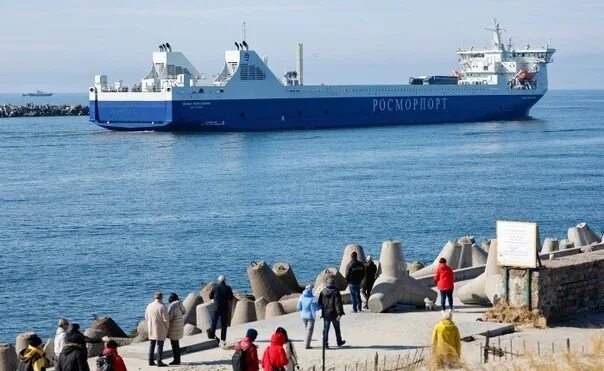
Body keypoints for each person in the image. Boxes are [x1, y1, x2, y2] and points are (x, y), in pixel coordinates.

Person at [318, 278, 346, 349]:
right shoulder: (336, 292)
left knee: (326, 329)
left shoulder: (322, 292)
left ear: (327, 284)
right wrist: (339, 314)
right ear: (333, 284)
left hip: (326, 314)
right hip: (334, 314)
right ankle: (339, 341)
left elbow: (319, 302)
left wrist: (323, 310)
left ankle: (325, 344)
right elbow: (338, 304)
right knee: (337, 328)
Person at [145, 292, 169, 367]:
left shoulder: (149, 306)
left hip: (151, 327)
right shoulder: (162, 306)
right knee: (160, 345)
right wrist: (167, 327)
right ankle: (159, 361)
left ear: (154, 297)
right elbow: (166, 319)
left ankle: (150, 360)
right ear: (161, 297)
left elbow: (146, 317)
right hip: (160, 328)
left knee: (152, 344)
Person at [209, 275, 234, 344]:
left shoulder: (215, 287)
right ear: (225, 281)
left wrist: (215, 298)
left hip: (216, 307)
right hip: (225, 308)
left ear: (218, 281)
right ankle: (223, 338)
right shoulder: (228, 288)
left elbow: (210, 296)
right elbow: (231, 298)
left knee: (214, 322)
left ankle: (212, 335)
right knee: (224, 324)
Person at [296, 285, 319, 349]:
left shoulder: (301, 297)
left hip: (303, 316)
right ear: (311, 290)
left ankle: (306, 343)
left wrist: (303, 310)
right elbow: (317, 307)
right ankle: (307, 345)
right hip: (311, 316)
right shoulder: (313, 298)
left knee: (306, 330)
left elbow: (298, 307)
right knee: (309, 331)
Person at [167, 292, 186, 365]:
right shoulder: (180, 304)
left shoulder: (172, 306)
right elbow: (184, 312)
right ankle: (178, 359)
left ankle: (176, 360)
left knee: (174, 345)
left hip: (173, 327)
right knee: (176, 344)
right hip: (180, 326)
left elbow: (169, 317)